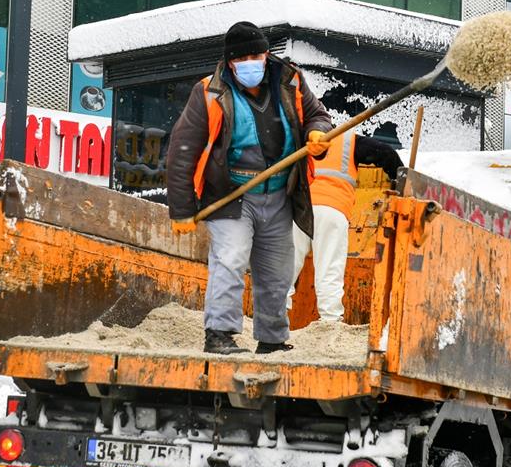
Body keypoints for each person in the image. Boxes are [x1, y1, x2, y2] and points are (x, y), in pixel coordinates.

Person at [166, 21, 333, 355]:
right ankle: (219, 335)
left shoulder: (290, 81)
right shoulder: (209, 92)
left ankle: (271, 339)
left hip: (279, 193)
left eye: (257, 55)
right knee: (230, 259)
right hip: (232, 194)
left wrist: (317, 134)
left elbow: (317, 115)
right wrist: (182, 209)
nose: (252, 63)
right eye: (243, 58)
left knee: (277, 270)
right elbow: (182, 150)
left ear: (267, 54)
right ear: (230, 62)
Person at [289, 132, 403, 323]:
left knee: (285, 269)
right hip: (333, 209)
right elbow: (386, 153)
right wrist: (400, 179)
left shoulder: (295, 136)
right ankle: (330, 321)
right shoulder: (347, 140)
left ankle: (272, 320)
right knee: (329, 268)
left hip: (297, 210)